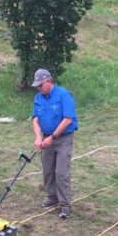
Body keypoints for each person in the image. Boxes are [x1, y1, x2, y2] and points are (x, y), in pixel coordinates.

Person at [31, 69, 78, 219]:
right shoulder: (38, 98)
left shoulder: (64, 95)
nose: (38, 88)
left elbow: (68, 119)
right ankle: (52, 198)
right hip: (46, 139)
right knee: (48, 170)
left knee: (61, 173)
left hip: (63, 139)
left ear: (49, 81)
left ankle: (65, 206)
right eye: (37, 86)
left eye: (40, 85)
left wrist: (53, 137)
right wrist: (38, 137)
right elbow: (35, 119)